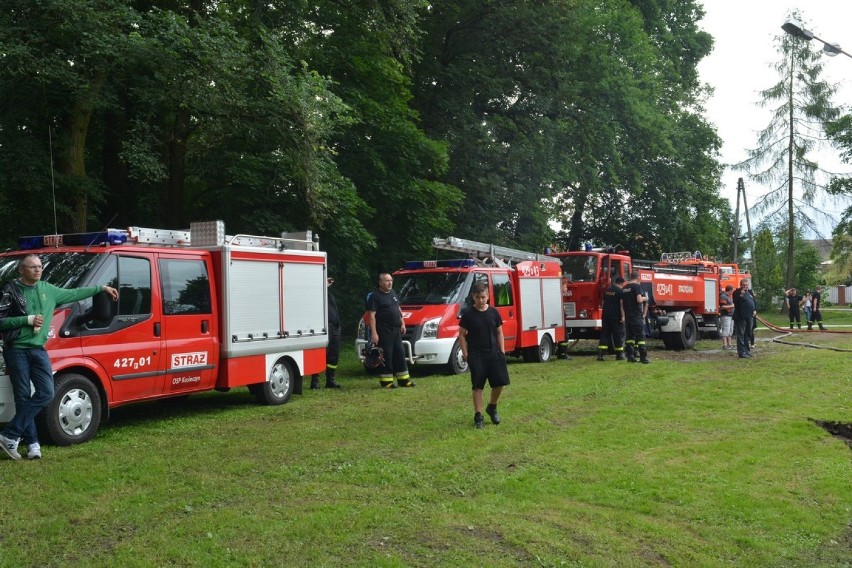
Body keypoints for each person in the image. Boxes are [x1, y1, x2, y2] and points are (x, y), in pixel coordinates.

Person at [0, 254, 118, 460]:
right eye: (32, 267)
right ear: (21, 270)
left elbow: (76, 293)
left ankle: (9, 434)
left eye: (39, 267)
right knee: (22, 397)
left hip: (38, 349)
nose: (37, 270)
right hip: (16, 349)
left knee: (46, 393)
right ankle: (33, 445)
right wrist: (26, 320)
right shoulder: (10, 290)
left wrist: (101, 288)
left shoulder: (48, 290)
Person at [459, 282, 510, 429]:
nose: (481, 300)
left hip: (494, 354)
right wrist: (466, 353)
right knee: (477, 386)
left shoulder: (494, 312)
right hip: (476, 355)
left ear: (488, 296)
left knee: (500, 383)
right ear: (473, 298)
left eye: (483, 297)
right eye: (477, 297)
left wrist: (502, 351)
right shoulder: (468, 314)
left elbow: (499, 332)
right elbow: (461, 335)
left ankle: (492, 407)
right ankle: (478, 415)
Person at [368, 273, 413, 388]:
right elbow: (372, 316)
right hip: (383, 331)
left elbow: (398, 309)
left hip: (396, 330)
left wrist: (402, 322)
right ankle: (386, 381)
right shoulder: (375, 296)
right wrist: (374, 333)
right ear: (380, 282)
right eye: (387, 281)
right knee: (386, 355)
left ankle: (404, 380)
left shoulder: (393, 293)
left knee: (400, 354)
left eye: (391, 280)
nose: (390, 283)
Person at [311, 277, 342, 389]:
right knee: (320, 354)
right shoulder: (317, 293)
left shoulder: (329, 294)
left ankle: (330, 380)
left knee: (333, 355)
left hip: (335, 327)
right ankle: (315, 381)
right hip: (325, 328)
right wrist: (322, 285)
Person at [621, 270, 649, 364]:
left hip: (628, 316)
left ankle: (630, 357)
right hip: (636, 316)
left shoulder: (624, 288)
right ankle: (643, 358)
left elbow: (621, 303)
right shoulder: (637, 287)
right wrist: (646, 298)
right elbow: (639, 300)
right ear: (638, 278)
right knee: (640, 337)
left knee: (629, 338)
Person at [597, 276, 625, 361]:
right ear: (621, 283)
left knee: (605, 335)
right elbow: (621, 305)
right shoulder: (620, 291)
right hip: (616, 317)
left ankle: (600, 355)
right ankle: (619, 355)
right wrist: (623, 316)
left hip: (605, 316)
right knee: (618, 336)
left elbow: (603, 303)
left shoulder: (607, 291)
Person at [732, 278, 756, 359]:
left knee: (747, 334)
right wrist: (741, 295)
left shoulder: (749, 292)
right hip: (740, 316)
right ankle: (741, 352)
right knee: (741, 335)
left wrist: (755, 309)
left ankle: (747, 351)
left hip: (749, 316)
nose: (745, 287)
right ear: (740, 285)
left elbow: (754, 301)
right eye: (743, 285)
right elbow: (736, 303)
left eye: (746, 285)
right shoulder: (736, 292)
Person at [719, 284, 735, 350]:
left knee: (730, 330)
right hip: (726, 316)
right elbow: (722, 307)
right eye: (732, 290)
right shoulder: (723, 296)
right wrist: (732, 306)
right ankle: (725, 345)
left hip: (731, 315)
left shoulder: (729, 297)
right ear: (730, 290)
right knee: (726, 329)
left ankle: (730, 344)